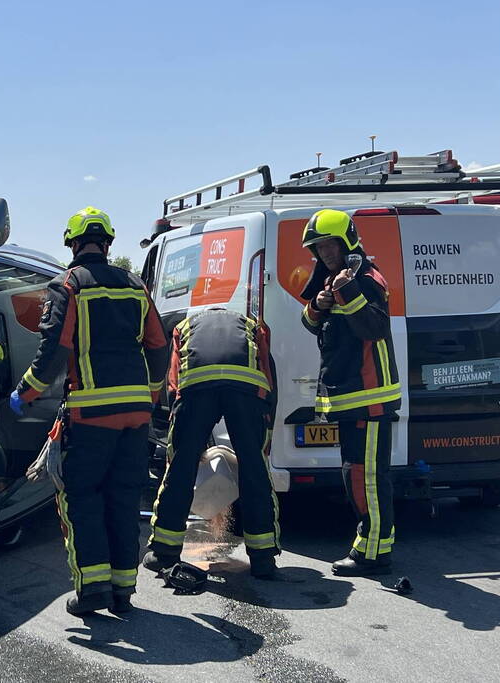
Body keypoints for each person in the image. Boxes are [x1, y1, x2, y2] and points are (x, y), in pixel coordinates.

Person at [10, 206, 169, 616]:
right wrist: (151, 396)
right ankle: (123, 591)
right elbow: (158, 345)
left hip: (90, 415)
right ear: (108, 244)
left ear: (73, 244)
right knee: (124, 497)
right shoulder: (136, 286)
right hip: (136, 415)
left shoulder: (69, 285)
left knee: (81, 497)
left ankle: (93, 589)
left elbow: (55, 350)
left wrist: (25, 393)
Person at [299, 209, 400, 576]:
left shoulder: (367, 280)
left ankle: (374, 553)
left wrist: (346, 292)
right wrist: (318, 305)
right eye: (319, 247)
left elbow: (373, 328)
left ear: (347, 242)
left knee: (368, 478)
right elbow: (313, 326)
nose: (325, 253)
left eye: (330, 245)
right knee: (355, 475)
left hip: (368, 398)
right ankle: (370, 544)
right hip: (349, 398)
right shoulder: (333, 279)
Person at [144, 308, 280, 579]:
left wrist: (182, 433)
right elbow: (268, 373)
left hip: (197, 388)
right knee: (255, 470)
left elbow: (173, 381)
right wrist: (264, 435)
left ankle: (164, 552)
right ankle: (263, 558)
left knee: (180, 469)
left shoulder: (183, 327)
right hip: (246, 390)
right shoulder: (252, 325)